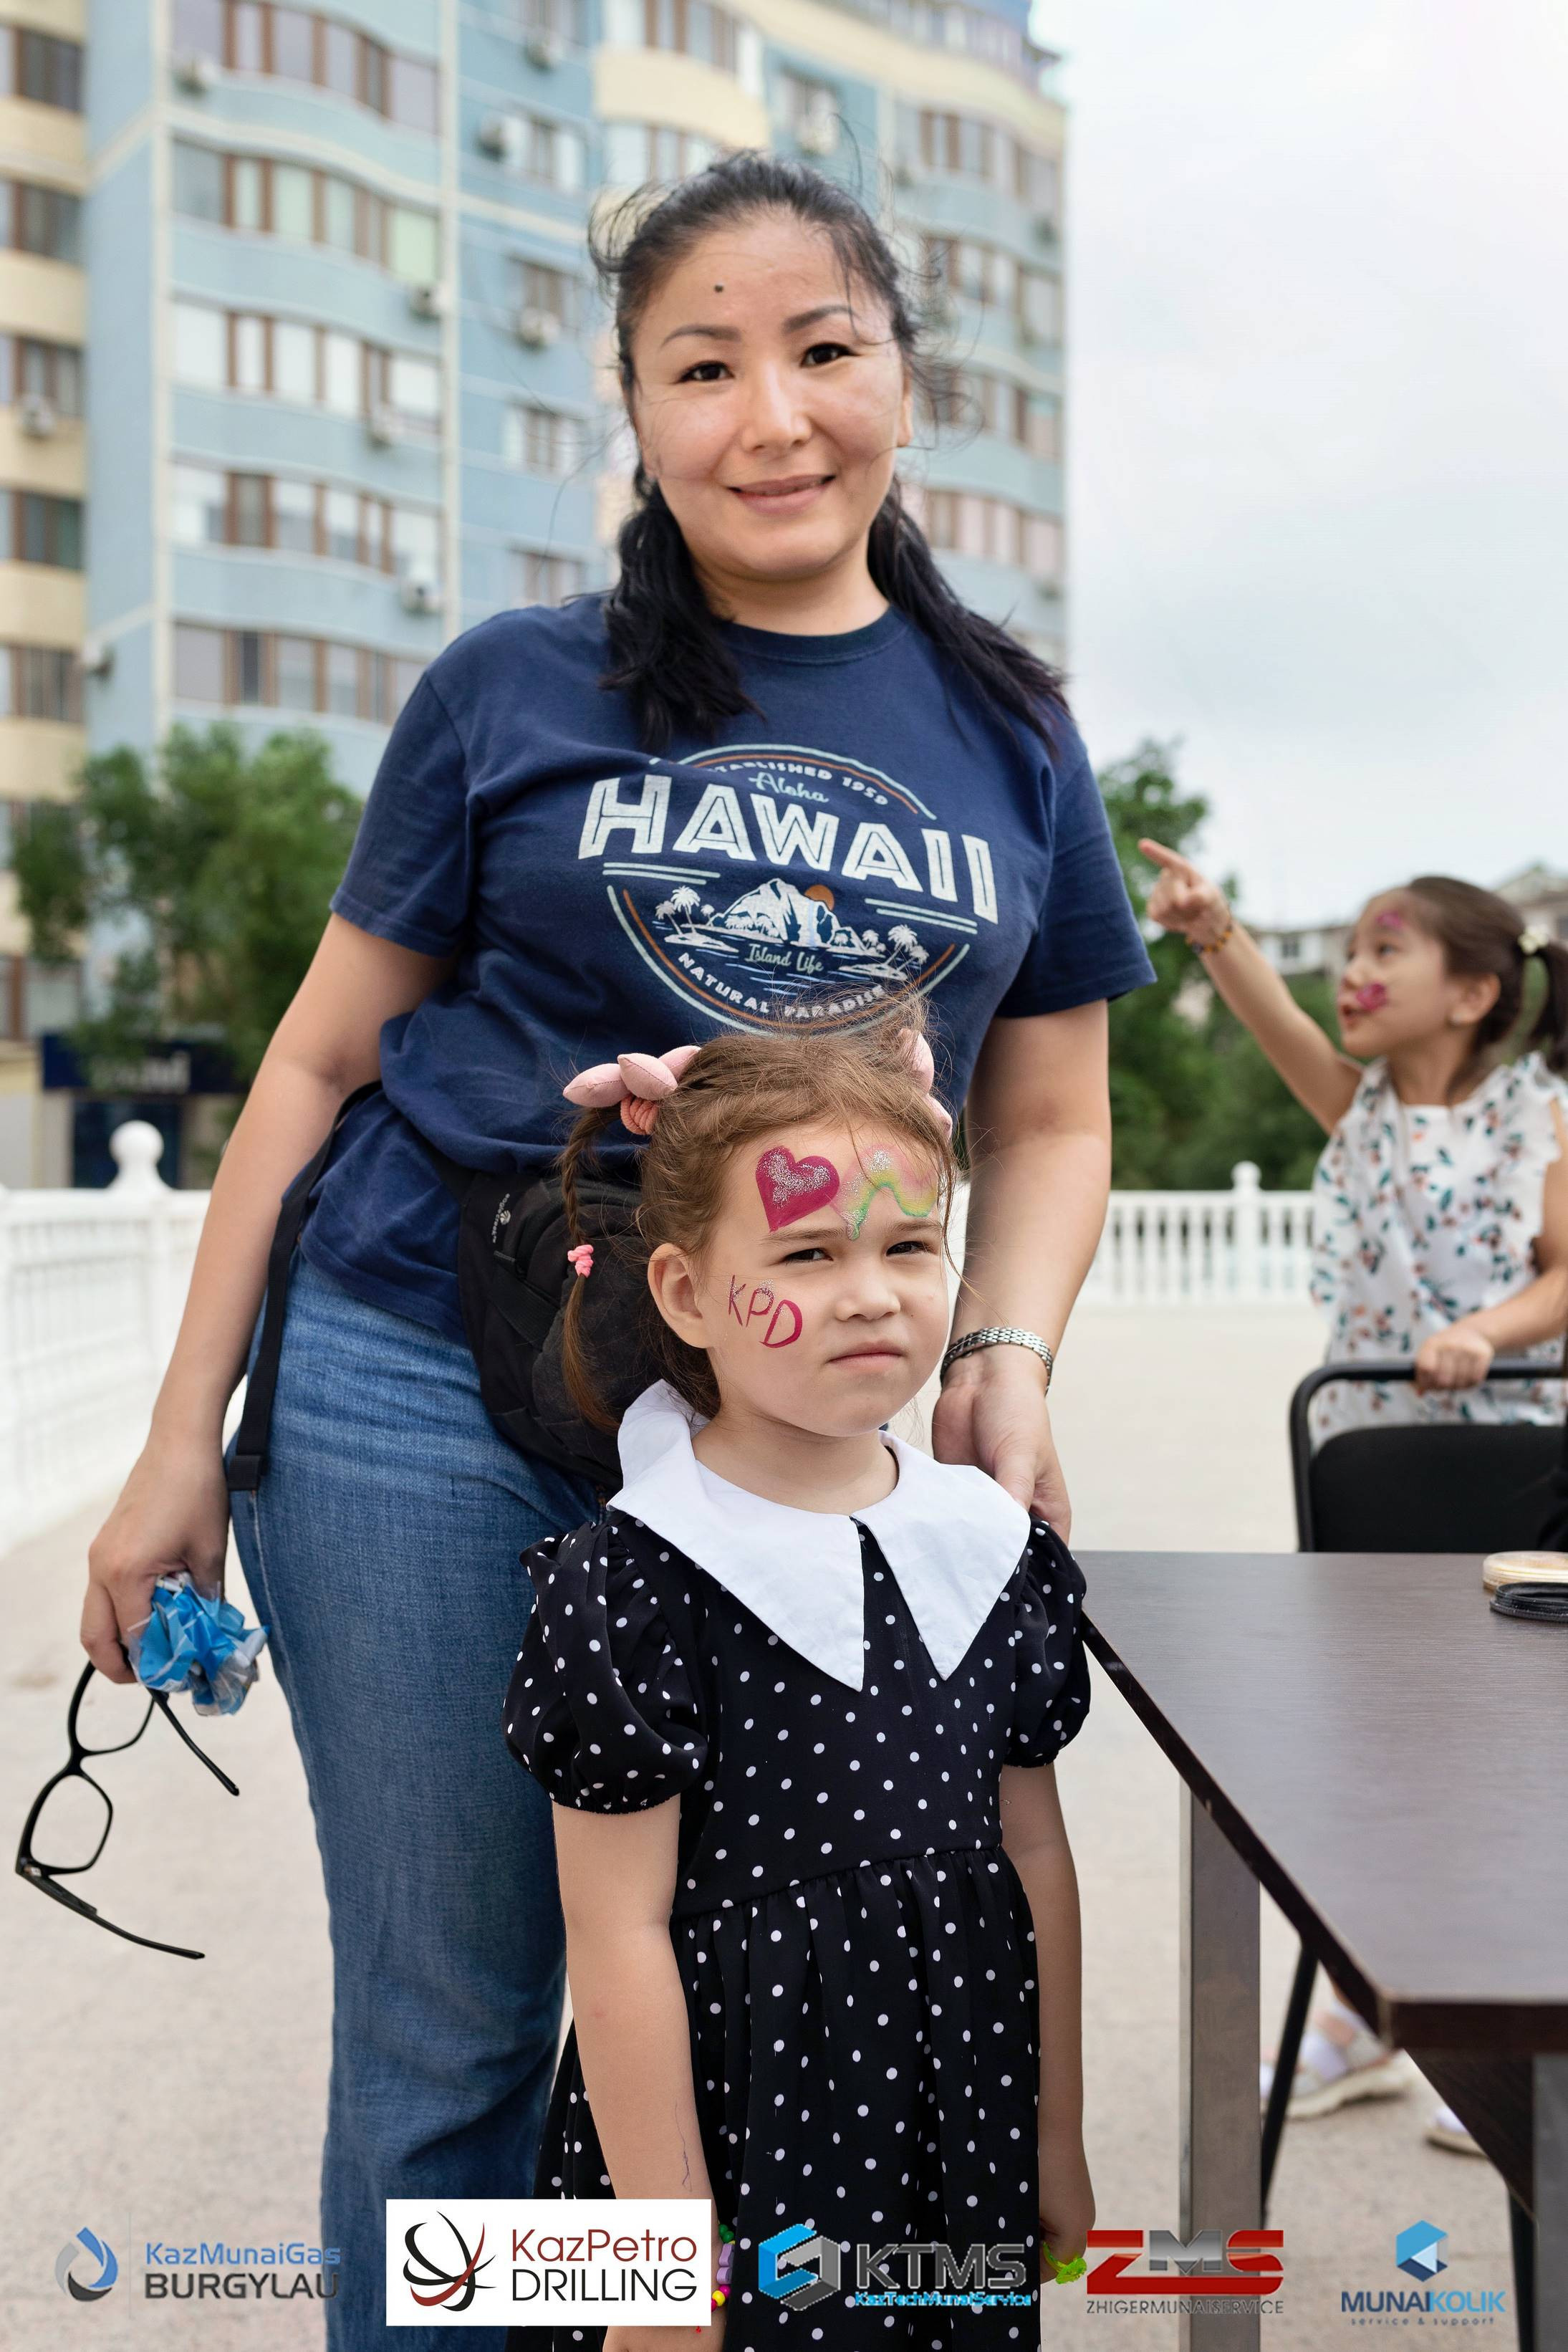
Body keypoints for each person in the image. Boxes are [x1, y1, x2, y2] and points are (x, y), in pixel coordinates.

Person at [79, 150, 1150, 2352]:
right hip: (420, 1380)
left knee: (777, 2004)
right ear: (638, 413)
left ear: (903, 379)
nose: (772, 414)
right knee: (456, 2032)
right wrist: (183, 1436)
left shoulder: (1012, 732)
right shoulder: (509, 684)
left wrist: (1006, 1349)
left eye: (820, 349)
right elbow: (313, 1065)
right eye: (702, 367)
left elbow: (1047, 1111)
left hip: (797, 1436)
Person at [503, 1002, 1094, 2351]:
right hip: (710, 2149)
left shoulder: (992, 1548)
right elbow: (614, 1931)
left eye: (908, 1245)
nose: (871, 1293)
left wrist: (1052, 2135)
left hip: (952, 2126)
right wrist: (658, 2267)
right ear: (686, 1293)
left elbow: (1033, 1855)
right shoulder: (634, 1582)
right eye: (809, 1253)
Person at [1142, 844, 1568, 2151]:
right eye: (1350, 950)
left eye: (1388, 949)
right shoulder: (1359, 1108)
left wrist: (1484, 1332)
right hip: (1368, 1456)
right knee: (1383, 1753)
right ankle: (1362, 2016)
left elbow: (1566, 1274)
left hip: (1514, 1466)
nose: (1354, 972)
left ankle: (1510, 2031)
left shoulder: (1541, 1117)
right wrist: (1214, 928)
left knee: (1514, 1756)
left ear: (1473, 993)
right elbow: (1272, 1015)